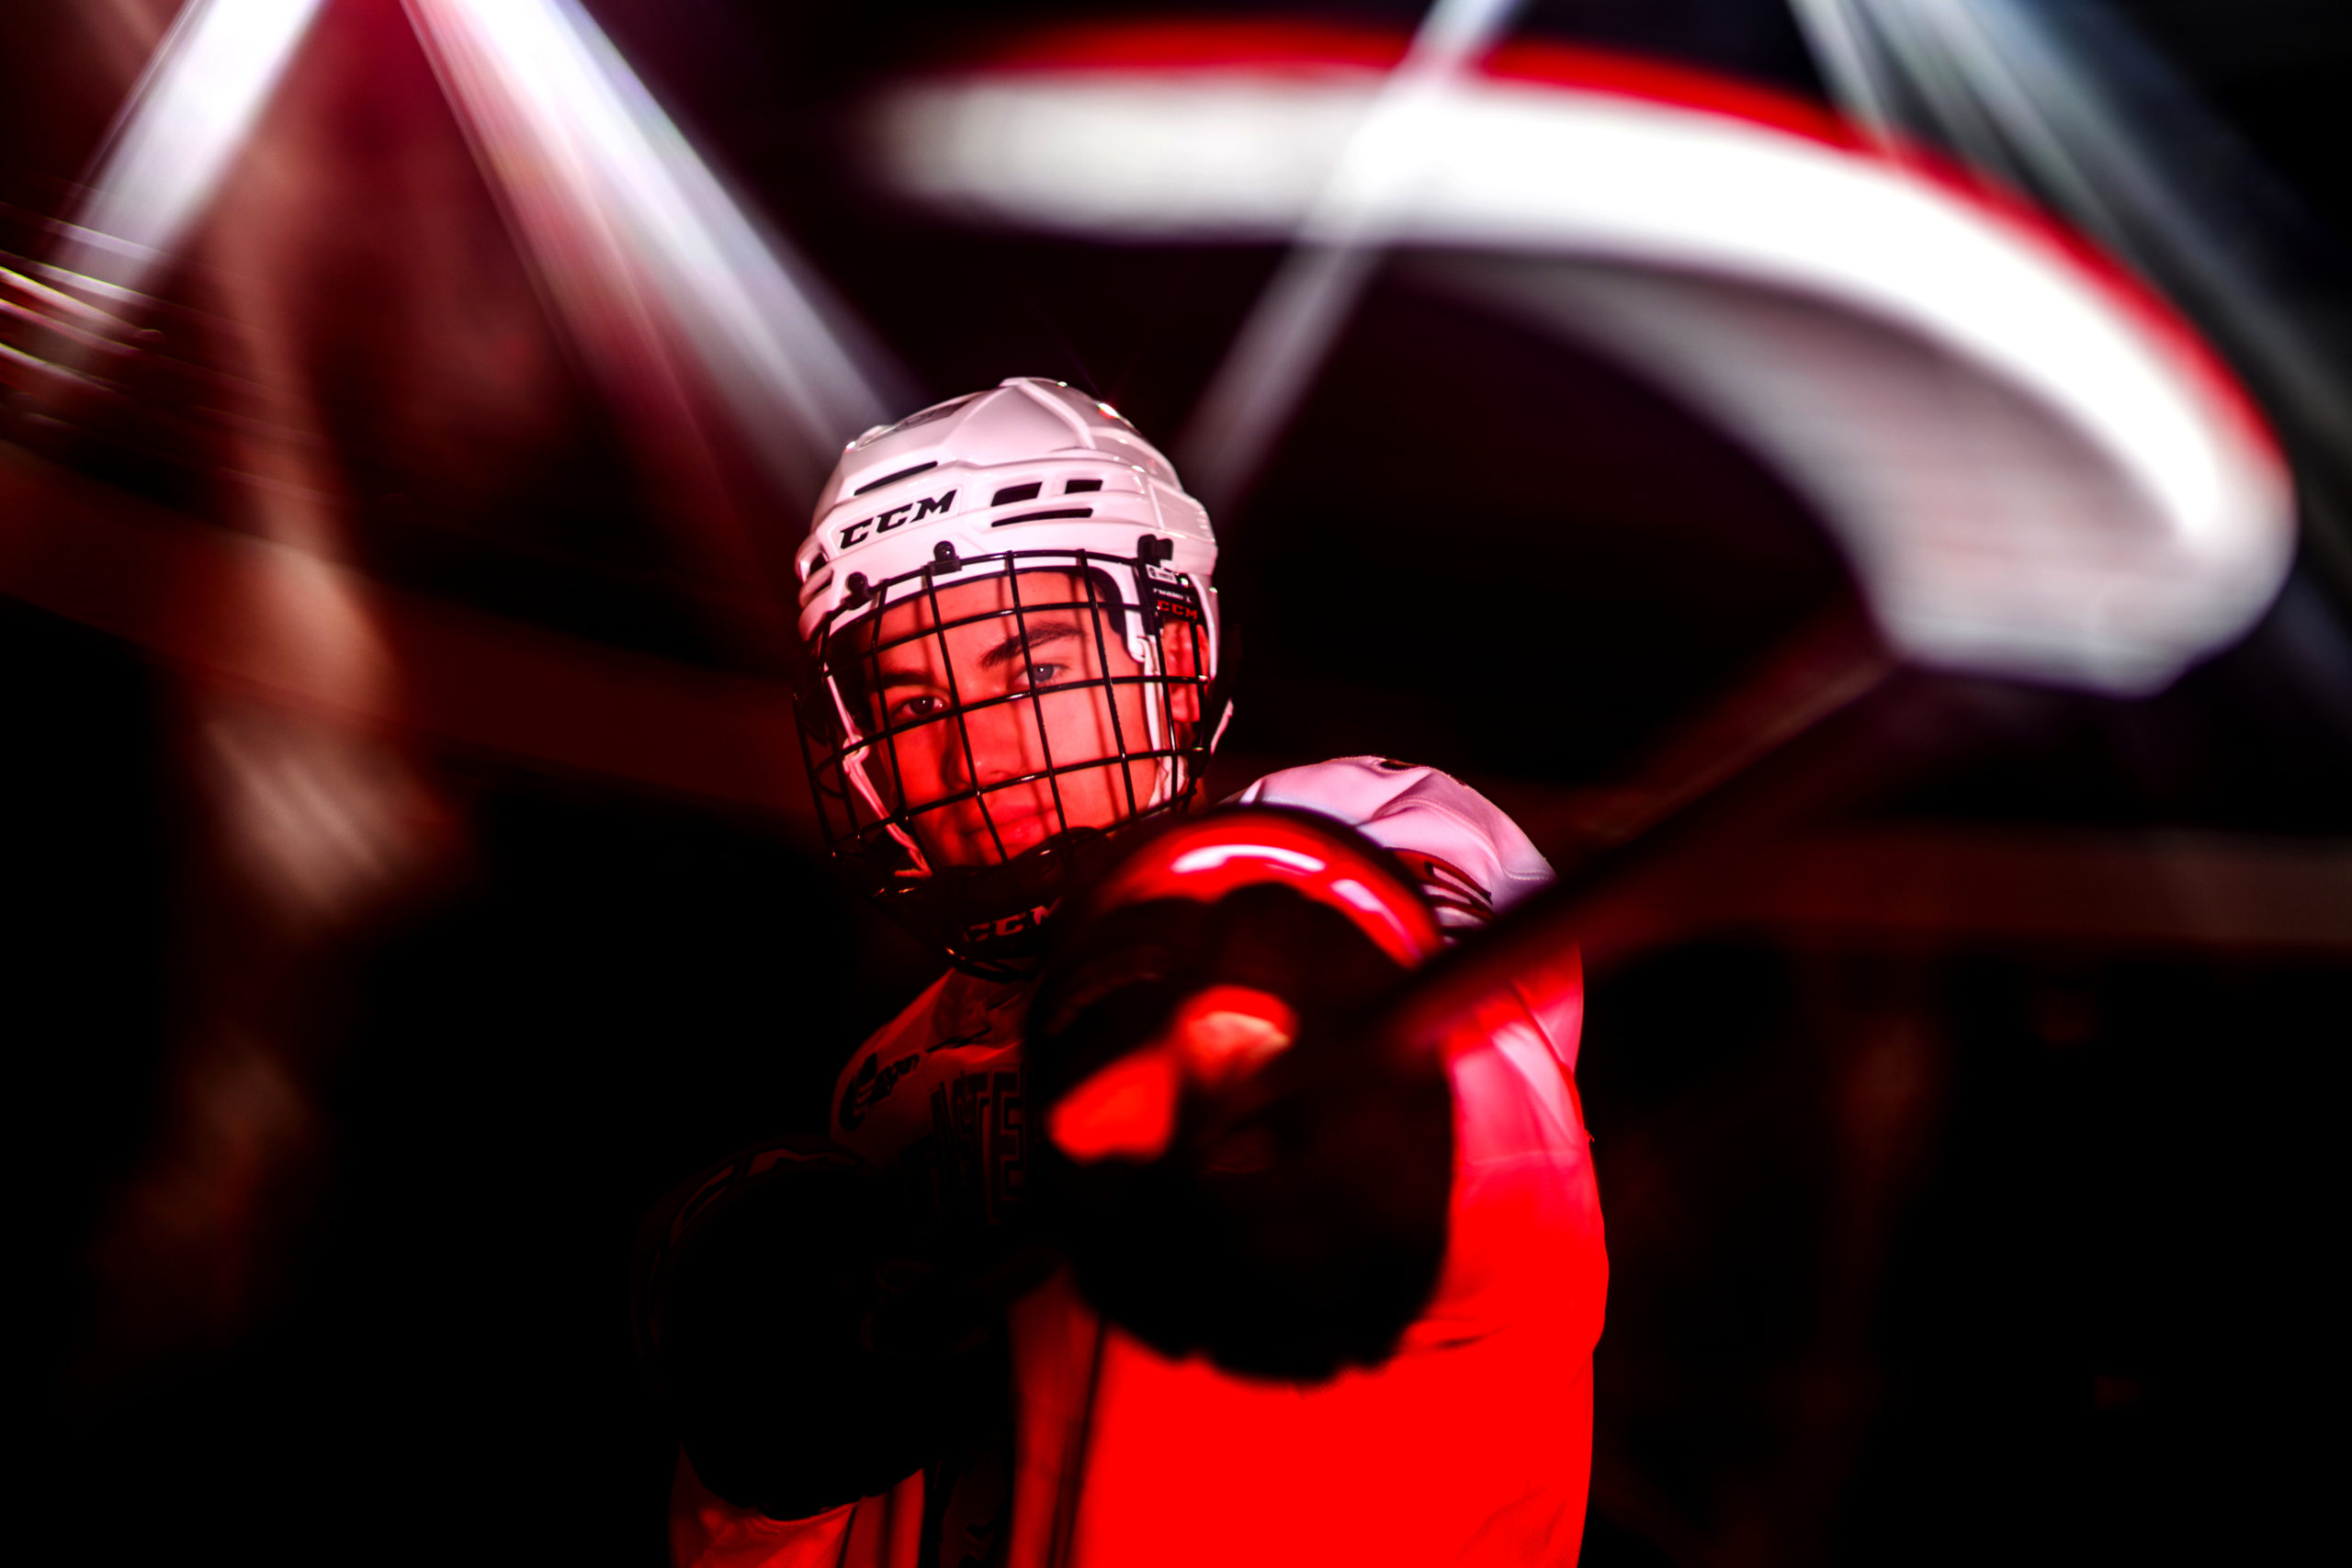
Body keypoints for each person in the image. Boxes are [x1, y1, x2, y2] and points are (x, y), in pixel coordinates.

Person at [638, 378, 1608, 1567]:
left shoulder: (1341, 937)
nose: (977, 757)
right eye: (912, 702)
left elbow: (1468, 1109)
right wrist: (757, 1488)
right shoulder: (885, 1089)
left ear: (1177, 655)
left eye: (1034, 675)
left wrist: (1264, 1025)